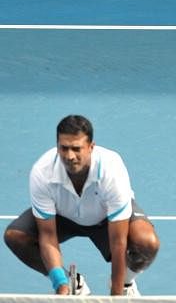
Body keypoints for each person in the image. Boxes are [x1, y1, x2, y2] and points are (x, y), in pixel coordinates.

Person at [3, 115, 160, 296]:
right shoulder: (42, 172)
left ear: (91, 147)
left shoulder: (111, 171)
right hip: (63, 217)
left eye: (77, 149)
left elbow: (118, 241)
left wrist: (116, 297)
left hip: (105, 219)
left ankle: (125, 283)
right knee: (16, 236)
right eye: (64, 148)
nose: (70, 156)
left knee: (146, 243)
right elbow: (47, 236)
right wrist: (61, 285)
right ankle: (70, 281)